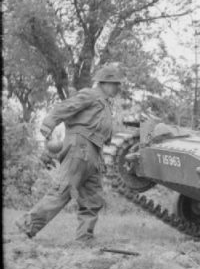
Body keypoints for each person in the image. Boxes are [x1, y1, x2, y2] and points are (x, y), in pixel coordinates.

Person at [15, 64, 124, 244]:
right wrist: (48, 124)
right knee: (63, 190)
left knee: (92, 198)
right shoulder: (91, 94)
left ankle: (85, 238)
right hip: (80, 148)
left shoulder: (104, 102)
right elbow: (66, 106)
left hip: (94, 153)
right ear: (106, 82)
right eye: (116, 84)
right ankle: (25, 228)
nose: (119, 88)